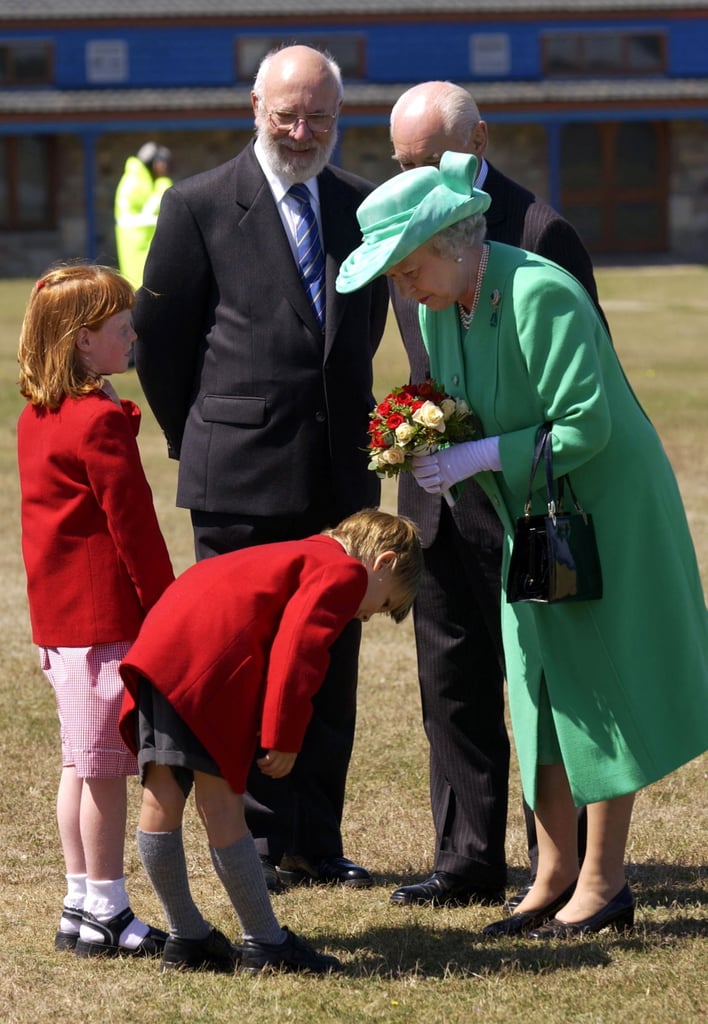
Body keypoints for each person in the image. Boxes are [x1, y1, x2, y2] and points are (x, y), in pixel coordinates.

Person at [336, 152, 708, 939]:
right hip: (530, 518)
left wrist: (476, 455)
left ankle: (604, 887)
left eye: (407, 269)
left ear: (453, 239)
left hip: (602, 516)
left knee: (595, 687)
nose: (403, 290)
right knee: (535, 690)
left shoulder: (542, 292)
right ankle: (551, 876)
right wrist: (433, 445)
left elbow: (586, 426)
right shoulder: (443, 305)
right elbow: (468, 403)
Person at [133, 45, 389, 894]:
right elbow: (162, 348)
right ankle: (253, 847)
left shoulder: (361, 205)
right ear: (254, 107)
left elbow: (363, 329)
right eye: (287, 114)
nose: (303, 130)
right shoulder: (197, 204)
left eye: (319, 115)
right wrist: (201, 431)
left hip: (340, 480)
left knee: (328, 665)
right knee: (240, 668)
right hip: (238, 477)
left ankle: (317, 839)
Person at [384, 80, 603, 910]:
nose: (414, 175)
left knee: (548, 687)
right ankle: (467, 859)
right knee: (453, 679)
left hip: (526, 497)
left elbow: (585, 378)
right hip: (439, 491)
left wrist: (492, 452)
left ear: (480, 139)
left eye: (430, 157)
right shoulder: (404, 216)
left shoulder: (541, 231)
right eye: (401, 161)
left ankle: (569, 864)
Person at [118, 509, 422, 973]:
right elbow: (299, 649)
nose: (367, 615)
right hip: (206, 667)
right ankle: (265, 944)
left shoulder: (302, 552)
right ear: (382, 562)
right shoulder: (342, 571)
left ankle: (187, 937)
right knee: (220, 806)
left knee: (161, 797)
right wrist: (283, 734)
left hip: (164, 651)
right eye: (383, 605)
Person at [16, 263, 175, 957]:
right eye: (120, 327)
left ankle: (80, 901)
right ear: (83, 342)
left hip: (60, 623)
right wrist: (169, 610)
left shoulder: (36, 414)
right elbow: (133, 527)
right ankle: (107, 907)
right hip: (104, 620)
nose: (133, 334)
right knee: (107, 770)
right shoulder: (97, 421)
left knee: (79, 765)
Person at [114, 141, 173, 289]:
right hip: (138, 241)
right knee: (142, 285)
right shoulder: (137, 181)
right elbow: (155, 208)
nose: (164, 166)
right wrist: (164, 184)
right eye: (161, 161)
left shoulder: (138, 177)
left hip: (140, 240)